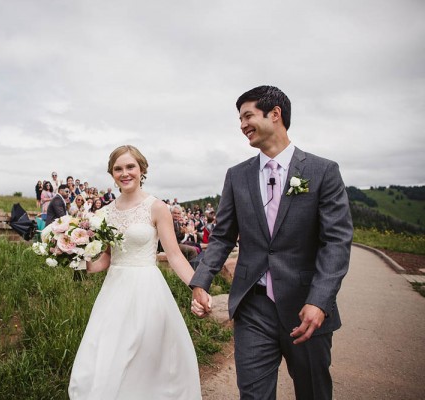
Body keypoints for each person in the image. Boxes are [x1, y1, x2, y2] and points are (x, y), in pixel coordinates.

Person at [190, 86, 353, 400]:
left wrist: (319, 300)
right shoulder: (237, 176)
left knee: (314, 392)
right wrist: (202, 281)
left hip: (306, 306)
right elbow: (223, 236)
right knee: (253, 395)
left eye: (248, 115)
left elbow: (336, 241)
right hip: (253, 305)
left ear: (275, 114)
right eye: (240, 118)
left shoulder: (322, 172)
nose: (242, 125)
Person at [69, 145, 208, 399]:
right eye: (118, 168)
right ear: (111, 174)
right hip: (114, 291)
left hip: (147, 290)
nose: (125, 173)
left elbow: (175, 256)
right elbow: (108, 258)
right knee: (110, 354)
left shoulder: (156, 207)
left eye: (130, 167)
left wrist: (197, 287)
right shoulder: (104, 213)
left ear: (142, 169)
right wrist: (80, 261)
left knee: (146, 357)